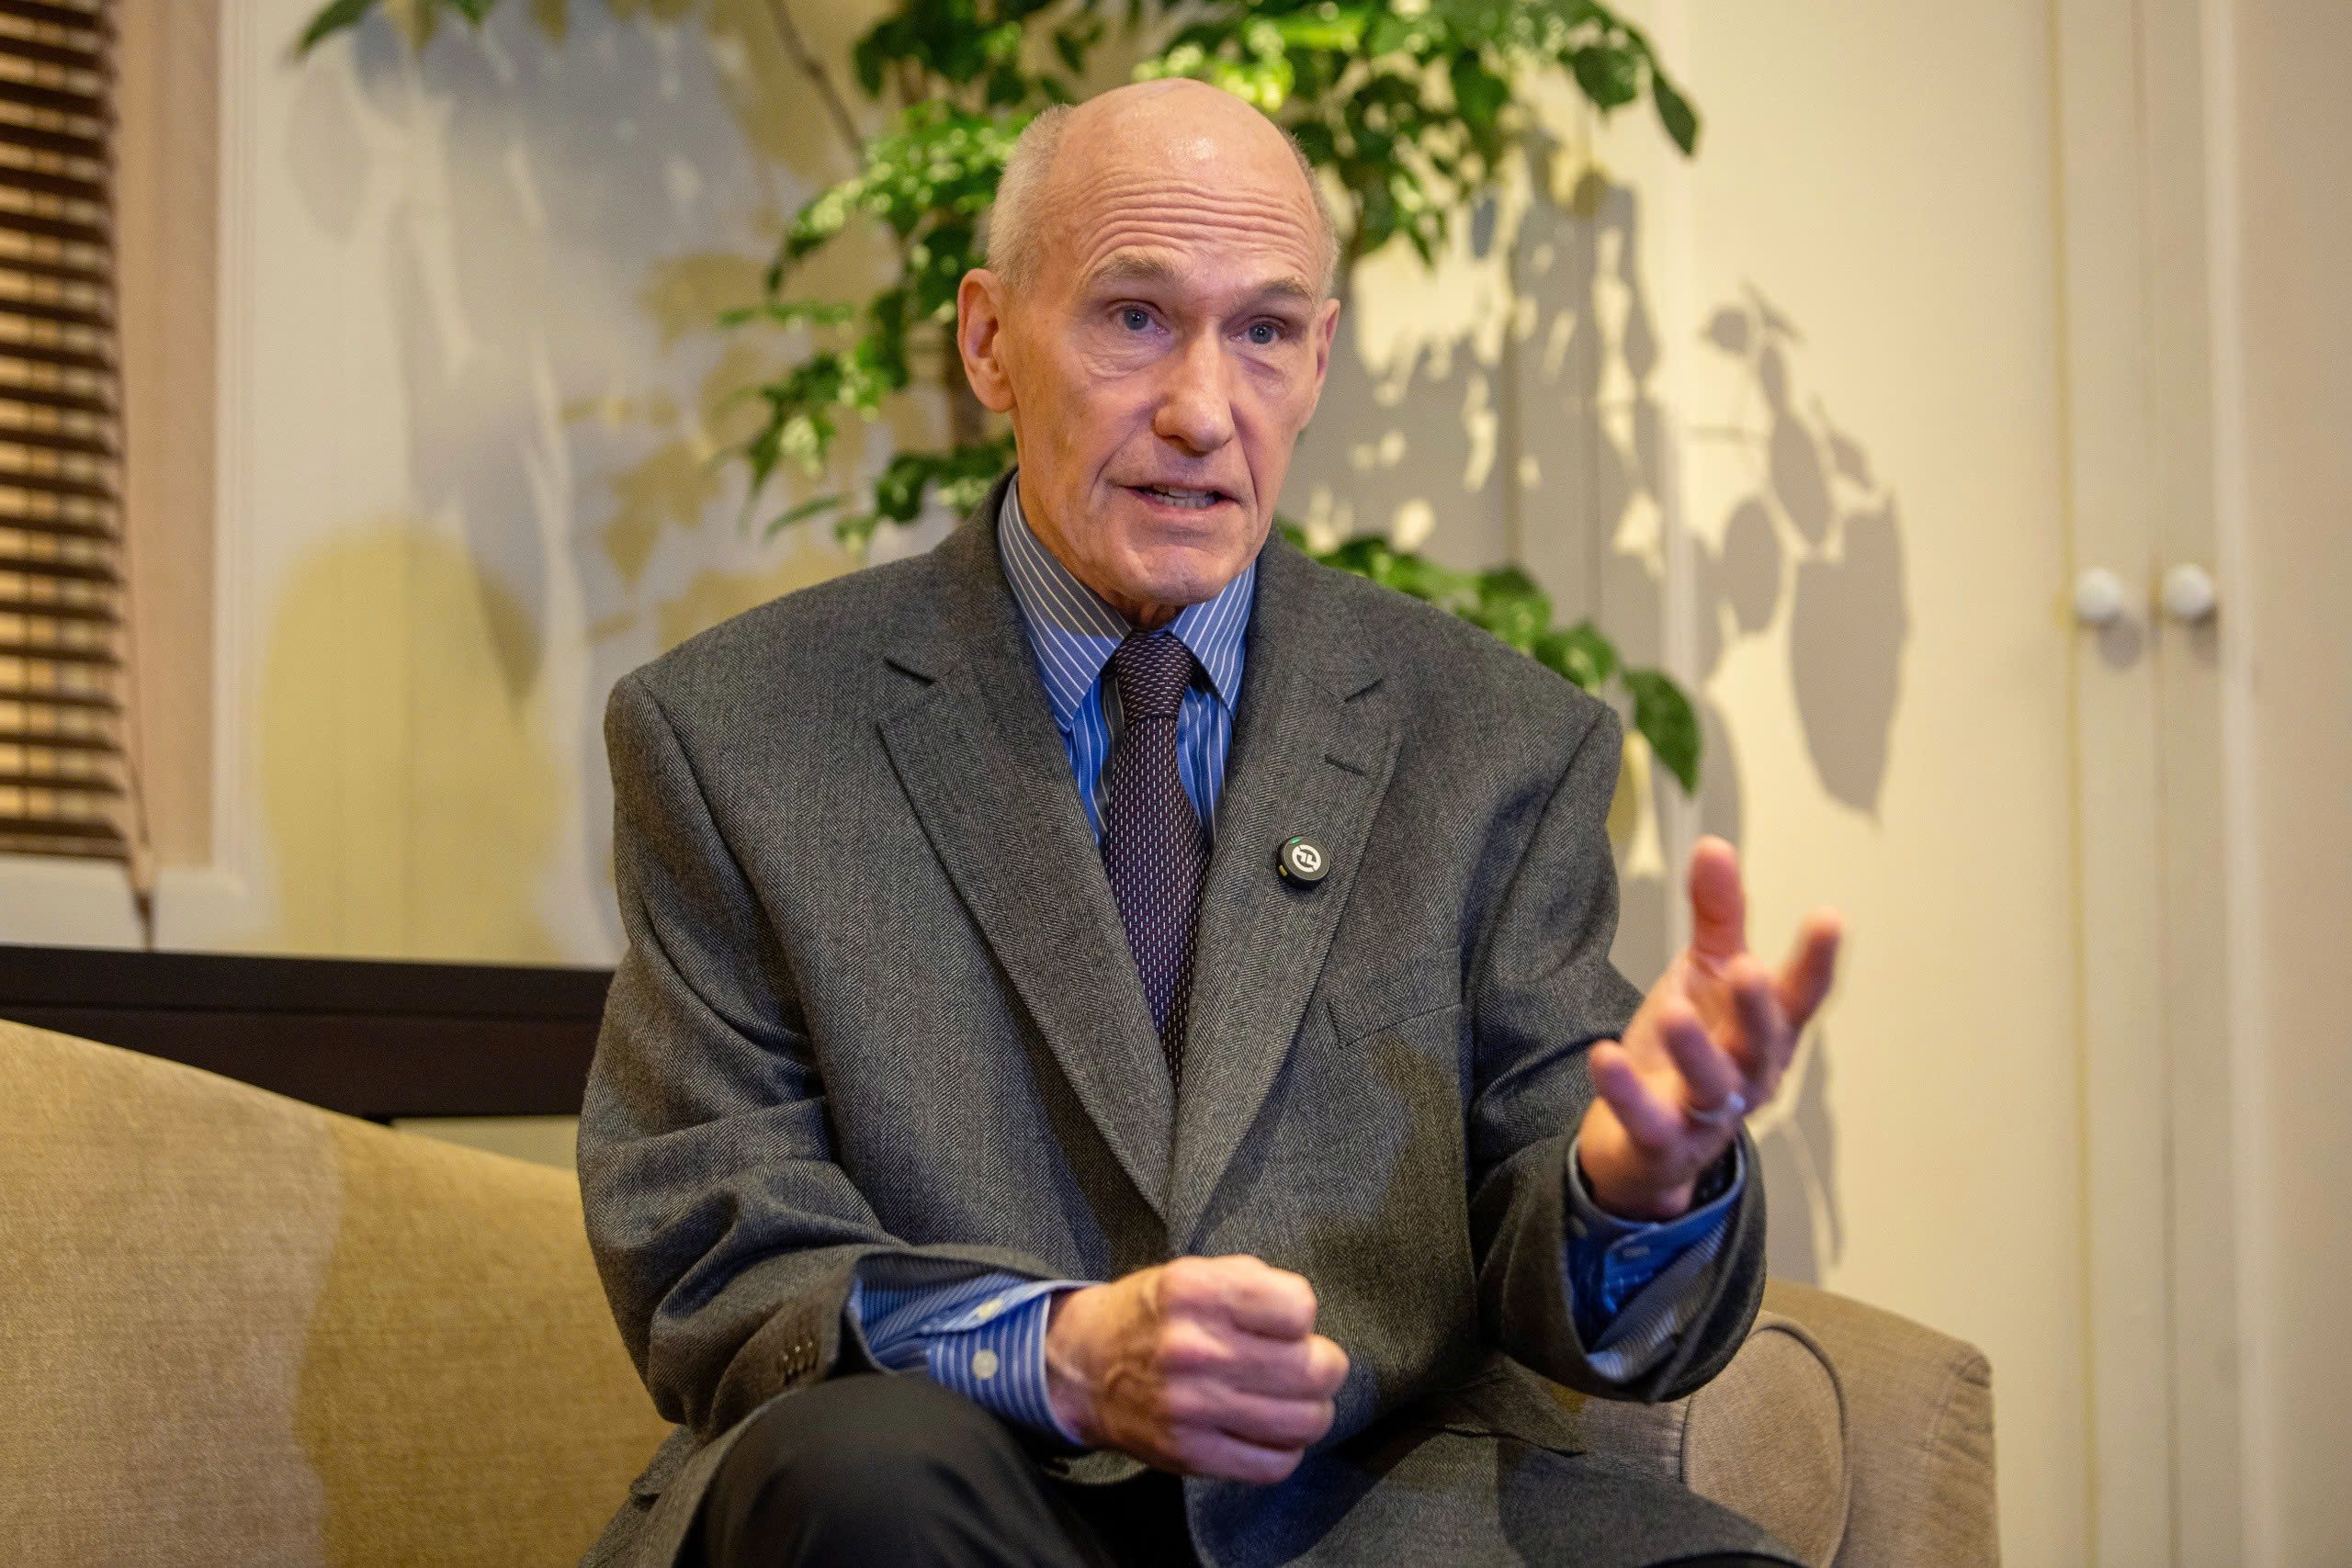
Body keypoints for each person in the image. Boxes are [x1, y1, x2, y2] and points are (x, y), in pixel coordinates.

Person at [576, 78, 1844, 1568]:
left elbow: (1568, 1218)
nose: (1200, 410)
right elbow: (711, 1242)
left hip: (1368, 1513)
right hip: (951, 1479)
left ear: (1318, 363)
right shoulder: (741, 733)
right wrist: (1057, 1352)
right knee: (857, 1479)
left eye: (1263, 333)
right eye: (1134, 317)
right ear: (989, 339)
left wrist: (1639, 1184)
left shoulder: (1496, 741)